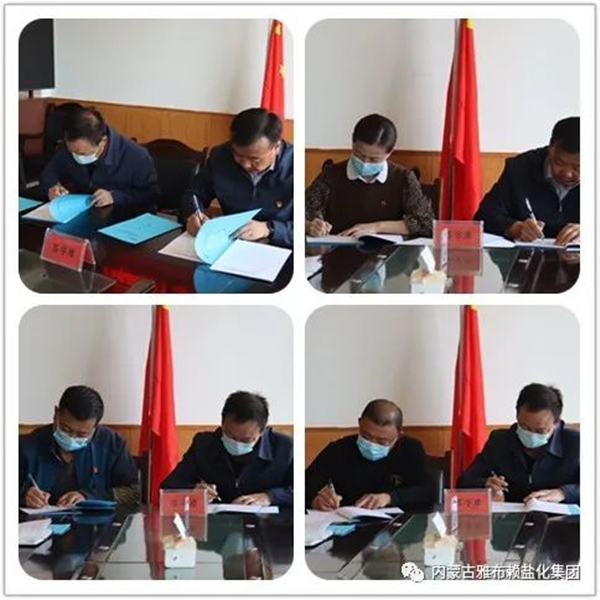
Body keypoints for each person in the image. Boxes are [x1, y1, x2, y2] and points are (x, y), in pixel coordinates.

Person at [305, 114, 434, 239]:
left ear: (390, 152)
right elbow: (301, 213)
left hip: (389, 251)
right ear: (353, 142)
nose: (365, 163)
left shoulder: (403, 178)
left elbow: (425, 223)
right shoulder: (331, 175)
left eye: (374, 159)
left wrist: (377, 227)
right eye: (359, 155)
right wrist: (310, 226)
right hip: (336, 249)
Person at [180, 108, 293, 248]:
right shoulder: (220, 156)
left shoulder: (295, 166)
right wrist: (192, 214)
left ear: (276, 148)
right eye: (238, 155)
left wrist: (269, 229)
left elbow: (307, 227)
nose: (245, 164)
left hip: (278, 247)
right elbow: (194, 193)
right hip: (229, 243)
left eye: (255, 159)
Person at [161, 391, 293, 506]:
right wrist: (194, 490)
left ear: (262, 431)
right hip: (218, 521)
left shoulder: (284, 447)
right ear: (222, 423)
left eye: (246, 440)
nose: (237, 443)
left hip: (269, 523)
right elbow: (168, 487)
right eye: (230, 435)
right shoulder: (204, 444)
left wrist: (270, 497)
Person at [458, 383, 579, 504]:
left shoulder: (576, 442)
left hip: (560, 514)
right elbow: (464, 481)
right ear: (517, 415)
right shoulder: (499, 441)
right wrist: (485, 483)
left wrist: (564, 493)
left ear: (556, 423)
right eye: (524, 427)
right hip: (514, 514)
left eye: (540, 430)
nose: (531, 435)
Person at [19, 385, 140, 507]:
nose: (71, 437)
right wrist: (23, 496)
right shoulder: (27, 446)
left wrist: (89, 496)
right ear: (56, 413)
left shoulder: (112, 444)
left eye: (82, 434)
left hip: (96, 519)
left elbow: (133, 492)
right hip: (41, 518)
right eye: (65, 429)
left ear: (95, 427)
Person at [305, 399, 430, 511]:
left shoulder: (410, 449)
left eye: (382, 441)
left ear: (398, 435)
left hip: (397, 523)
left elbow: (426, 491)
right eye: (366, 436)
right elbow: (303, 484)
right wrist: (315, 500)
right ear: (359, 423)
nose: (372, 444)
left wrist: (389, 498)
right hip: (345, 521)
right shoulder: (339, 449)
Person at [474, 117, 580, 245]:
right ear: (550, 148)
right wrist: (515, 228)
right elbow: (485, 216)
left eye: (578, 167)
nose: (567, 174)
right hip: (526, 254)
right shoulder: (520, 167)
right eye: (559, 163)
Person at [39, 106, 159, 209]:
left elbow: (151, 195)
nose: (76, 156)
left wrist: (114, 197)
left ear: (103, 142)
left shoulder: (136, 156)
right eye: (72, 151)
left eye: (83, 153)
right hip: (84, 212)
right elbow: (49, 173)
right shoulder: (71, 146)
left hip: (122, 216)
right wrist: (52, 187)